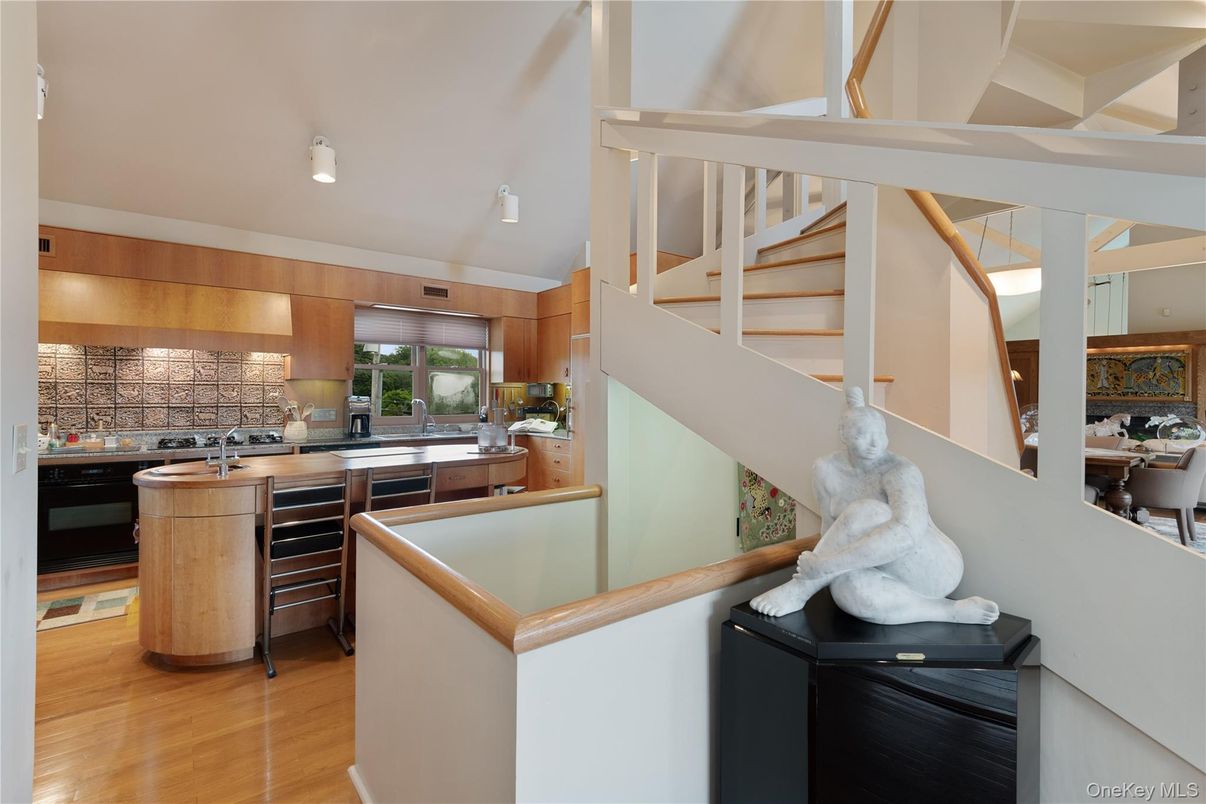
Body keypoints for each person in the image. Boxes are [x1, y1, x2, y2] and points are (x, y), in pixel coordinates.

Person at [750, 387, 999, 625]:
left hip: (932, 567)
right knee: (847, 591)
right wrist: (828, 568)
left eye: (880, 434)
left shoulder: (900, 471)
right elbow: (831, 530)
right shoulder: (826, 470)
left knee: (866, 511)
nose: (874, 444)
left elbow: (906, 533)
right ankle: (951, 611)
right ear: (844, 435)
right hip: (879, 567)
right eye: (862, 435)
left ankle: (799, 590)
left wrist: (826, 566)